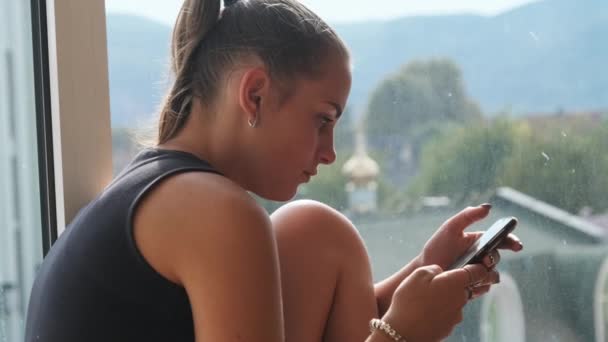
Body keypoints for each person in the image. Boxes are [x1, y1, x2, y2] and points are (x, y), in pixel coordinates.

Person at [25, 0, 523, 341]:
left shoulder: (163, 190)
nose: (329, 153)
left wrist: (422, 270)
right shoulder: (214, 211)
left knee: (318, 233)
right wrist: (402, 335)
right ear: (255, 94)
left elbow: (323, 318)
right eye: (322, 120)